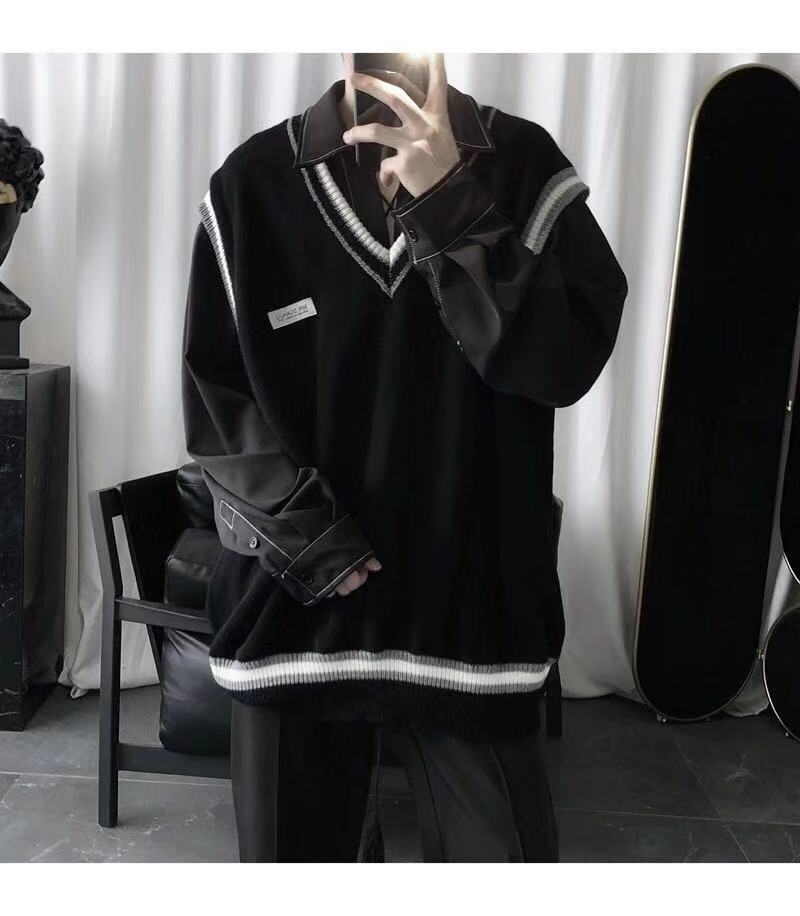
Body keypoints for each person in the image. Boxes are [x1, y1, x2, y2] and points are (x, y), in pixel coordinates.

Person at [182, 52, 627, 862]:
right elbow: (218, 397)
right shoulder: (253, 186)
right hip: (296, 621)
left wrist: (451, 202)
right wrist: (309, 538)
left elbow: (562, 365)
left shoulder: (525, 168)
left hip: (474, 620)